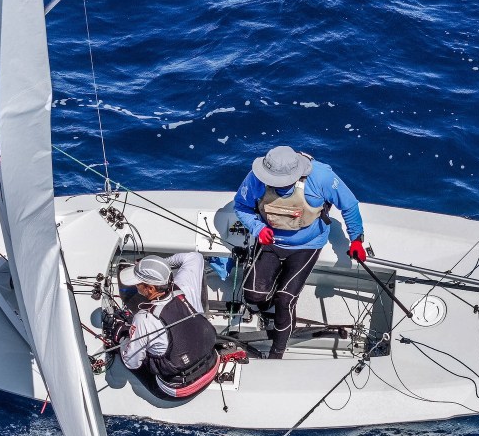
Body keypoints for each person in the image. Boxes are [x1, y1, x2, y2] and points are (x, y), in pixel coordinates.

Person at [234, 146, 365, 358]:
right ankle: (272, 299)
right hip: (270, 242)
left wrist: (356, 240)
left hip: (307, 246)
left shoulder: (321, 177)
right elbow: (241, 206)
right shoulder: (255, 178)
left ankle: (277, 353)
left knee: (284, 301)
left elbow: (349, 205)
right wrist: (258, 228)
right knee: (253, 295)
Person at [117, 253, 220, 398]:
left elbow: (132, 362)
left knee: (122, 344)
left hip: (181, 390)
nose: (135, 286)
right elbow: (194, 257)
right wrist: (159, 266)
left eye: (138, 283)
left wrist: (123, 339)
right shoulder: (184, 286)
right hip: (212, 367)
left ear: (150, 289)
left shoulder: (144, 319)